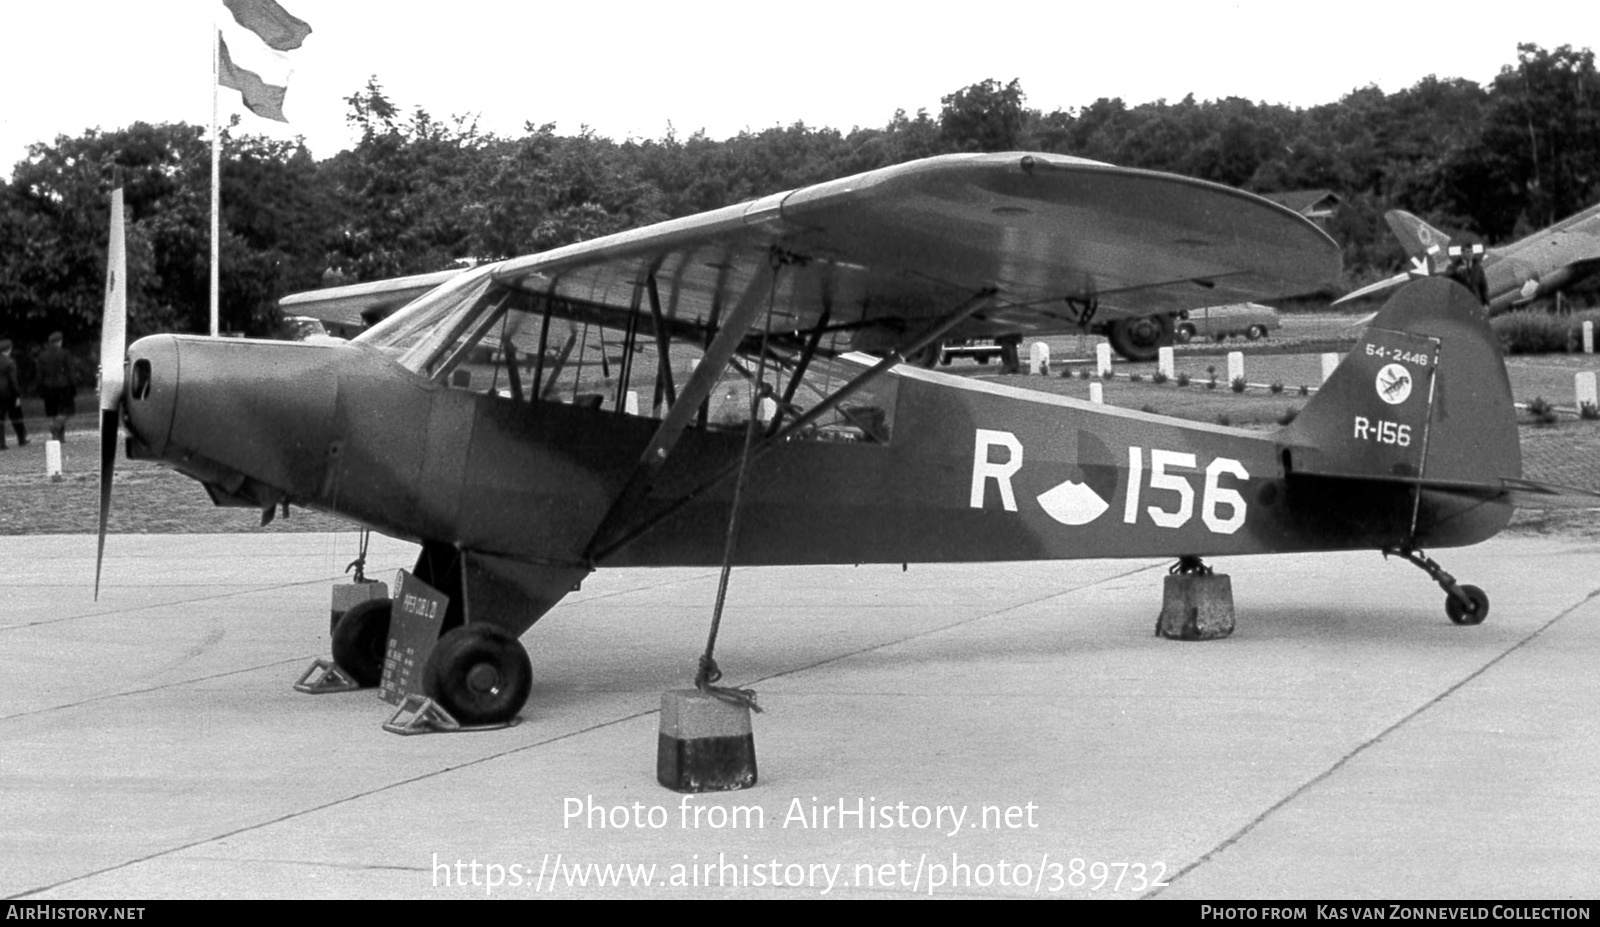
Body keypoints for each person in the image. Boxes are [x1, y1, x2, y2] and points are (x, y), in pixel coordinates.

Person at [35, 331, 77, 441]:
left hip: (47, 386)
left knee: (53, 412)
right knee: (66, 411)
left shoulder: (42, 355)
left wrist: (39, 388)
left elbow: (39, 374)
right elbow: (69, 371)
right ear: (60, 341)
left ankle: (58, 436)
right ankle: (56, 429)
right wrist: (73, 385)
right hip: (63, 386)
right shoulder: (65, 353)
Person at [0, 339, 26, 449]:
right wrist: (18, 394)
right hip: (9, 393)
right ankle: (21, 438)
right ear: (9, 348)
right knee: (16, 416)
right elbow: (13, 380)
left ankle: (1, 442)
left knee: (1, 418)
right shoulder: (10, 362)